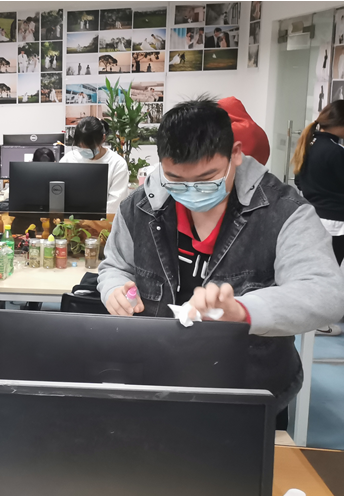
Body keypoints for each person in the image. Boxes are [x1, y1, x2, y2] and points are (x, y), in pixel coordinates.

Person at [98, 98, 344, 419]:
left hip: (248, 390)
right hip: (155, 380)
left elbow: (325, 294)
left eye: (207, 178)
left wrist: (243, 312)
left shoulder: (284, 211)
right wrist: (114, 288)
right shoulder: (140, 207)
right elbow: (115, 266)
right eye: (175, 179)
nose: (191, 190)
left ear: (236, 154)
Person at [294, 100, 344, 269]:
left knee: (316, 267)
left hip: (313, 217)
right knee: (332, 269)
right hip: (335, 222)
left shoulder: (307, 144)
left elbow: (298, 181)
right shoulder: (336, 151)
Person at [59, 116, 129, 215]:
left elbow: (115, 204)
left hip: (103, 221)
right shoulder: (68, 159)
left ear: (103, 138)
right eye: (80, 147)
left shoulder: (117, 163)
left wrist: (91, 219)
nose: (84, 151)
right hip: (71, 219)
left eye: (90, 147)